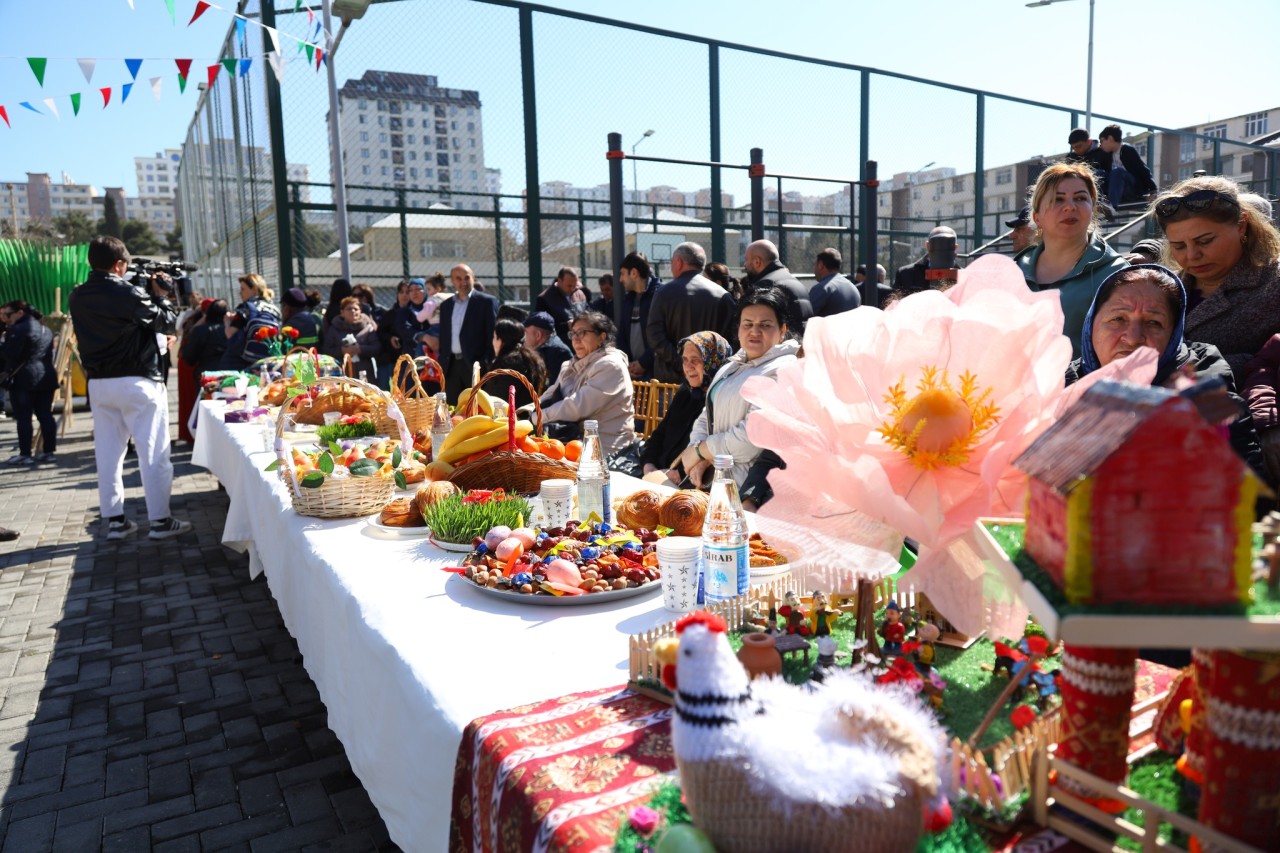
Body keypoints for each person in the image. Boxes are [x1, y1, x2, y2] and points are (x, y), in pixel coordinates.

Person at [1066, 263, 1262, 476]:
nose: (1132, 338)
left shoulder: (1209, 404)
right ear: (1091, 323)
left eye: (1153, 323)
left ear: (1174, 337)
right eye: (1118, 319)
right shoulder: (1057, 388)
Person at [68, 236, 191, 540]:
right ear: (120, 264)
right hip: (138, 380)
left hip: (99, 384)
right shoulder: (126, 291)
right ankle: (160, 521)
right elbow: (165, 322)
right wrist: (162, 295)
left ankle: (115, 521)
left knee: (108, 454)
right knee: (154, 452)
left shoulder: (77, 295)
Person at [677, 287, 801, 495]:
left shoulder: (783, 370)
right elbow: (706, 416)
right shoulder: (731, 366)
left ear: (782, 330)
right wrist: (701, 456)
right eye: (748, 324)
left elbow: (751, 439)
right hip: (715, 482)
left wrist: (700, 452)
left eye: (765, 325)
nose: (754, 331)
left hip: (748, 491)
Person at [1151, 175, 1280, 375]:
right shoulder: (1163, 287)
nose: (1192, 255)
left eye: (1205, 241)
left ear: (1241, 225)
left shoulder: (1273, 284)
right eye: (1179, 246)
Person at [1015, 162, 1128, 356]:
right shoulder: (1014, 271)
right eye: (1058, 199)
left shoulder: (1116, 273)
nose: (1070, 207)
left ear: (1092, 209)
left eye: (1081, 198)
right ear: (1037, 217)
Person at [533, 311, 637, 456]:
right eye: (573, 333)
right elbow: (548, 396)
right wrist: (521, 413)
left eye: (582, 333)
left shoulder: (611, 366)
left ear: (602, 337)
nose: (575, 339)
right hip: (573, 442)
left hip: (606, 450)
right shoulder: (570, 365)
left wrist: (536, 417)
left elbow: (576, 407)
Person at [640, 330, 732, 484]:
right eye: (684, 359)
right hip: (658, 477)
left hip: (690, 485)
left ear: (713, 361)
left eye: (695, 360)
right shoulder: (685, 393)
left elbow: (711, 452)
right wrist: (648, 465)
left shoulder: (721, 400)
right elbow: (659, 435)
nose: (688, 367)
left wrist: (678, 473)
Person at [645, 241, 737, 384]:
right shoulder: (723, 295)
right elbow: (732, 340)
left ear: (679, 262)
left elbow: (654, 335)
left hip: (670, 381)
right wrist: (706, 365)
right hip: (712, 381)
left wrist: (683, 362)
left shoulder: (663, 293)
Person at [1, 300, 58, 465]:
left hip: (23, 379)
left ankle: (25, 453)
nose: (6, 318)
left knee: (24, 417)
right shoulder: (45, 329)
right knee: (45, 415)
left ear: (20, 313)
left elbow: (11, 355)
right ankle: (48, 451)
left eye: (8, 314)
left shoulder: (18, 329)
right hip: (46, 377)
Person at [437, 263, 499, 403]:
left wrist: (485, 362)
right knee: (453, 408)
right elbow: (444, 336)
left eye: (467, 277)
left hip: (475, 366)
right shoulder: (446, 306)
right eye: (458, 278)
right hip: (451, 366)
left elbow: (492, 335)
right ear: (452, 281)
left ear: (473, 278)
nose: (463, 282)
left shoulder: (486, 302)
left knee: (478, 408)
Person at [741, 239, 813, 334]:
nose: (744, 264)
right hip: (801, 345)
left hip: (779, 347)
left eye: (746, 260)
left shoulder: (765, 286)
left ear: (757, 261)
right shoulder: (796, 282)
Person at [219, 273, 281, 369]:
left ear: (254, 289)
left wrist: (227, 321)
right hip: (268, 361)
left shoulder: (246, 307)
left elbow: (230, 333)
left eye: (243, 289)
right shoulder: (274, 309)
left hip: (241, 362)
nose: (240, 293)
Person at [617, 252, 662, 381]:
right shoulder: (628, 299)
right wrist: (627, 364)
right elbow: (621, 335)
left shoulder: (659, 296)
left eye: (623, 274)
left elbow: (660, 337)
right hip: (632, 372)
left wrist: (643, 363)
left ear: (634, 273)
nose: (620, 279)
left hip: (655, 374)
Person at [484, 318, 546, 410]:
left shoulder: (508, 364)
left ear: (501, 340)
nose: (492, 342)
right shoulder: (530, 358)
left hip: (512, 418)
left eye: (494, 337)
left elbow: (497, 399)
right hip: (529, 413)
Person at [1096, 124, 1157, 210]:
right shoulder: (1107, 155)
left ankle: (1112, 207)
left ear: (1110, 139)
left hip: (1131, 190)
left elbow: (1142, 169)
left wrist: (1153, 190)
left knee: (1118, 172)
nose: (1100, 144)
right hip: (1115, 190)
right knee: (1099, 173)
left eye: (1101, 141)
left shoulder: (1127, 150)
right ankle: (1098, 204)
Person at [893, 226, 963, 298]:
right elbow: (895, 303)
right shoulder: (906, 274)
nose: (941, 250)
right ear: (927, 245)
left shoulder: (964, 276)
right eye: (938, 244)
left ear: (955, 247)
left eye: (946, 245)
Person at [322, 297, 381, 373]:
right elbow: (326, 349)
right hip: (341, 371)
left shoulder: (368, 328)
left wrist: (360, 349)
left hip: (364, 372)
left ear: (360, 311)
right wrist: (342, 351)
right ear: (342, 312)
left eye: (356, 309)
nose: (353, 311)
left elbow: (376, 348)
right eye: (349, 309)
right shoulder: (334, 329)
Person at [535, 266, 589, 346]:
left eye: (574, 285)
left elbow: (589, 313)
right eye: (569, 286)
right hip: (561, 344)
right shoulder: (545, 299)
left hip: (582, 343)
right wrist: (566, 325)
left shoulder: (579, 295)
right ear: (559, 281)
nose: (572, 289)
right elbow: (542, 326)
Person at [178, 299, 229, 379]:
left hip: (206, 374)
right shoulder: (232, 329)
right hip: (229, 373)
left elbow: (189, 356)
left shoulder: (200, 330)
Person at [522, 311, 572, 386]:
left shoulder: (558, 353)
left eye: (525, 333)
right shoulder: (544, 348)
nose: (523, 338)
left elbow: (554, 390)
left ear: (538, 335)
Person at [809, 247, 861, 317]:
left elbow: (805, 317)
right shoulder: (853, 288)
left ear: (821, 265)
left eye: (815, 264)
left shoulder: (822, 289)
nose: (814, 269)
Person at [394, 278, 431, 360]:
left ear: (426, 290)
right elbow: (403, 329)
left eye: (418, 289)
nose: (414, 293)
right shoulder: (404, 312)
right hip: (412, 356)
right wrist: (423, 336)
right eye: (410, 290)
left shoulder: (434, 309)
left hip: (434, 354)